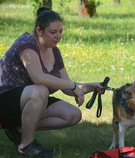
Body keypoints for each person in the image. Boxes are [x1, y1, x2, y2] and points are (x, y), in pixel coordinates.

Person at [0, 7, 104, 157]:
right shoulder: (27, 43)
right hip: (4, 100)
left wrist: (90, 86)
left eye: (61, 31)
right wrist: (73, 86)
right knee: (40, 90)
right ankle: (27, 145)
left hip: (29, 101)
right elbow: (38, 78)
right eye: (53, 32)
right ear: (39, 31)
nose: (58, 36)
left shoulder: (54, 51)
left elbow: (66, 86)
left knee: (73, 114)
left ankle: (19, 129)